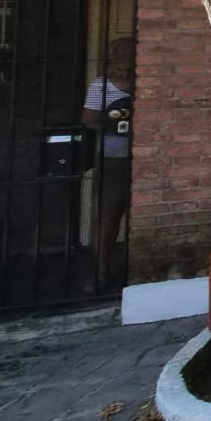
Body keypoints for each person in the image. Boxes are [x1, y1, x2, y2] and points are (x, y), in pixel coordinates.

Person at [82, 37, 134, 289]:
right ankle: (100, 269)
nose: (124, 58)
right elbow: (89, 119)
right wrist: (110, 122)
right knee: (108, 214)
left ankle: (131, 268)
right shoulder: (100, 86)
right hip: (112, 157)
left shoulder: (142, 81)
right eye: (119, 54)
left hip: (139, 158)